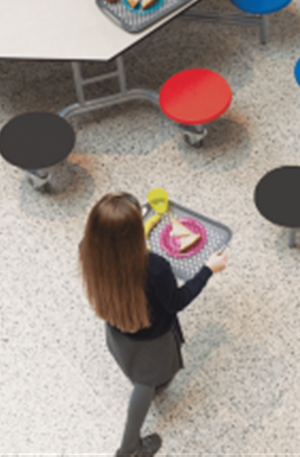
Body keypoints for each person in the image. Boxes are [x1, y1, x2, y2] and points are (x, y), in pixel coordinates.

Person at [79, 193, 227, 457]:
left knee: (138, 372)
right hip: (152, 343)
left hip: (118, 331)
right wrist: (207, 270)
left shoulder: (89, 250)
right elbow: (176, 302)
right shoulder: (156, 268)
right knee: (145, 384)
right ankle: (129, 448)